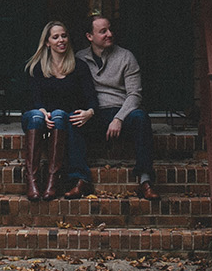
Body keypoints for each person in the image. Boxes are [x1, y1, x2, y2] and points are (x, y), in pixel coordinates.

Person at [74, 15, 158, 199]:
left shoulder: (126, 57)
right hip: (94, 113)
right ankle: (80, 178)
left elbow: (135, 94)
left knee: (141, 118)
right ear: (90, 36)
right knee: (72, 121)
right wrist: (87, 111)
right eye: (103, 31)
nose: (109, 34)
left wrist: (119, 118)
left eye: (110, 29)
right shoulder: (79, 58)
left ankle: (145, 179)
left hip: (122, 111)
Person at [21, 21, 97, 201]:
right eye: (55, 37)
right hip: (37, 118)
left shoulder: (79, 66)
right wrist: (42, 111)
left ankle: (51, 182)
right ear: (47, 42)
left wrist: (90, 112)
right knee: (37, 117)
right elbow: (31, 100)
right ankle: (31, 181)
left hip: (62, 120)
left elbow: (91, 98)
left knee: (60, 114)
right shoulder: (36, 67)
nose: (61, 40)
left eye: (64, 36)